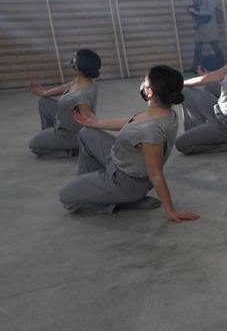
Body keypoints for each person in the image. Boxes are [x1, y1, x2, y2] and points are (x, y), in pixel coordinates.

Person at [58, 65, 198, 221]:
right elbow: (130, 122)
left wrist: (170, 211)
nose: (142, 85)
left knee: (67, 198)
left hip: (125, 182)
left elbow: (156, 174)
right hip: (120, 161)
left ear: (150, 92)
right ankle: (99, 190)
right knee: (86, 133)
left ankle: (121, 201)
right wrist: (95, 123)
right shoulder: (165, 113)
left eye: (144, 82)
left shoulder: (151, 132)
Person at [27, 49, 101, 158]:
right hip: (65, 117)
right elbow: (63, 88)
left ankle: (72, 151)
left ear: (78, 68)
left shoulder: (83, 96)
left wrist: (92, 141)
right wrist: (42, 92)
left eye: (75, 59)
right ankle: (51, 137)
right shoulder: (82, 80)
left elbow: (88, 121)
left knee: (34, 146)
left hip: (71, 133)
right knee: (44, 101)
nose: (72, 59)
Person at [186, 0, 224, 73]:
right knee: (198, 48)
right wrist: (194, 19)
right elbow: (195, 11)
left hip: (209, 26)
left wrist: (196, 12)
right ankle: (195, 67)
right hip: (200, 26)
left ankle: (224, 65)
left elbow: (209, 12)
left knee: (214, 46)